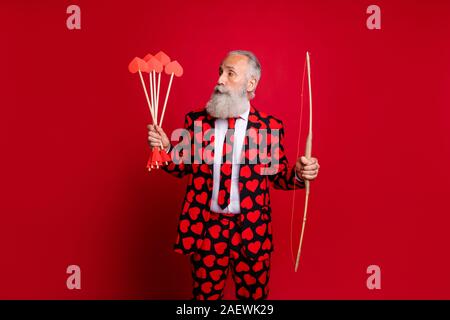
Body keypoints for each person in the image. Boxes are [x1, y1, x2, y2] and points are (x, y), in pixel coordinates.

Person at [147, 50, 320, 300]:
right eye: (220, 72)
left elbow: (279, 176)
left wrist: (300, 173)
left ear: (251, 83)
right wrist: (165, 149)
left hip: (251, 231)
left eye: (230, 73)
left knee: (254, 301)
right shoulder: (197, 122)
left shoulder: (268, 127)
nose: (220, 79)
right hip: (207, 229)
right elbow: (180, 167)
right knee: (204, 300)